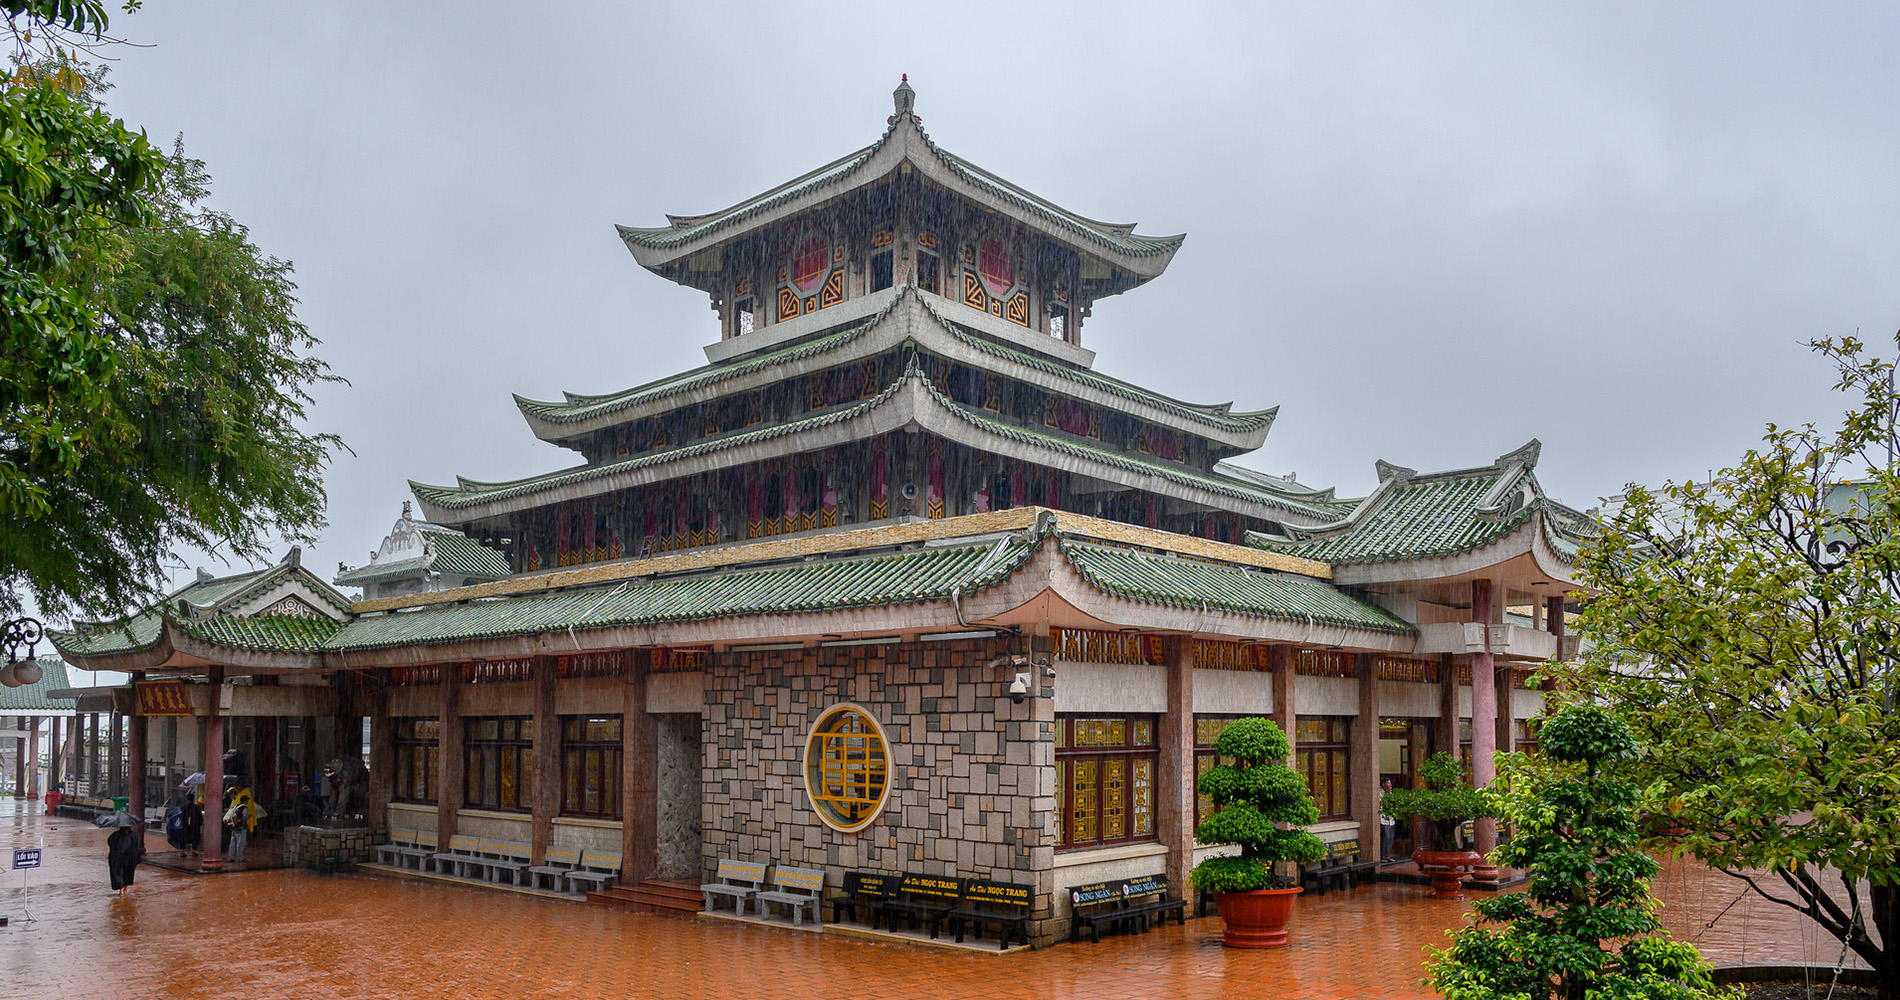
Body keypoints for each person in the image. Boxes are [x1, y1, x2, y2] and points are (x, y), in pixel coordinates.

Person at [224, 782, 258, 864]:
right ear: (245, 801)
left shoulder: (236, 806)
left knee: (232, 842)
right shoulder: (244, 808)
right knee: (241, 843)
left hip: (234, 826)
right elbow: (245, 816)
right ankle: (240, 857)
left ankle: (230, 857)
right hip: (241, 827)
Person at [1379, 778, 1398, 862]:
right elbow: (1379, 804)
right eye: (1388, 784)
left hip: (1390, 818)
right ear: (1383, 784)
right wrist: (1386, 795)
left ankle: (1388, 855)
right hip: (1383, 818)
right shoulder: (1379, 792)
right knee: (1385, 836)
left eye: (1390, 784)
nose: (1390, 786)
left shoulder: (1391, 793)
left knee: (1391, 837)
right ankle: (1382, 856)